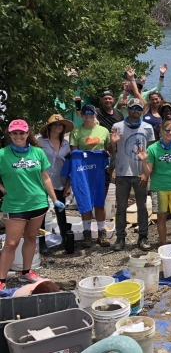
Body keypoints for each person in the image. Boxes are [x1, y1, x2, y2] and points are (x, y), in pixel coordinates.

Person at [0, 120, 64, 287]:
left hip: (38, 203)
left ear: (27, 134)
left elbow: (46, 177)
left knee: (30, 238)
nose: (18, 136)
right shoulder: (2, 154)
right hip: (15, 206)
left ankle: (26, 273)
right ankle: (1, 279)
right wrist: (2, 188)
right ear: (10, 134)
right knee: (11, 243)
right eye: (15, 133)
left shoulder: (37, 152)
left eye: (22, 132)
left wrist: (55, 200)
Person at [110, 97, 155, 250]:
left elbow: (151, 153)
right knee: (121, 207)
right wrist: (113, 143)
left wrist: (146, 173)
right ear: (127, 109)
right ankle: (120, 238)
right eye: (133, 108)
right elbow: (111, 152)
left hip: (140, 173)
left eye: (139, 108)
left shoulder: (148, 127)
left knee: (142, 206)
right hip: (122, 172)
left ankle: (143, 237)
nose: (136, 110)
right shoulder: (117, 126)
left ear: (142, 110)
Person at [71, 104, 112, 246]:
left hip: (100, 170)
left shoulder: (104, 131)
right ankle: (87, 233)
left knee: (99, 202)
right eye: (85, 113)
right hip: (83, 171)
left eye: (91, 112)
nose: (88, 115)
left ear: (95, 115)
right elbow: (74, 154)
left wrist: (114, 143)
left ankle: (102, 233)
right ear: (82, 116)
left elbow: (109, 150)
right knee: (86, 202)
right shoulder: (76, 132)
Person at [39, 115, 72, 243]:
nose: (58, 127)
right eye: (55, 124)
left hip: (60, 182)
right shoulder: (40, 142)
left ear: (63, 128)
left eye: (60, 125)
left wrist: (68, 185)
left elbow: (69, 165)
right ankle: (40, 242)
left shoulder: (66, 144)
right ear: (49, 127)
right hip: (42, 182)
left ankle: (66, 240)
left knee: (61, 212)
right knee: (41, 213)